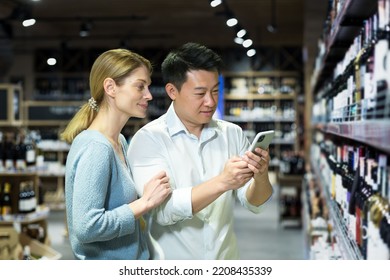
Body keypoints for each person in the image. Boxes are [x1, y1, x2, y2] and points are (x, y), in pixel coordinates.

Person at [127, 42, 273, 260]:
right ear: (172, 91)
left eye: (215, 91)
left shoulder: (231, 134)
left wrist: (261, 176)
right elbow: (163, 212)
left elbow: (253, 202)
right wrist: (223, 182)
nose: (210, 101)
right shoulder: (149, 140)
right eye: (200, 93)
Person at [61, 48, 171, 260]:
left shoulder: (118, 141)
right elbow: (86, 227)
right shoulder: (96, 147)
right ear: (110, 87)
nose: (148, 95)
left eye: (147, 87)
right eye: (140, 86)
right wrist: (144, 203)